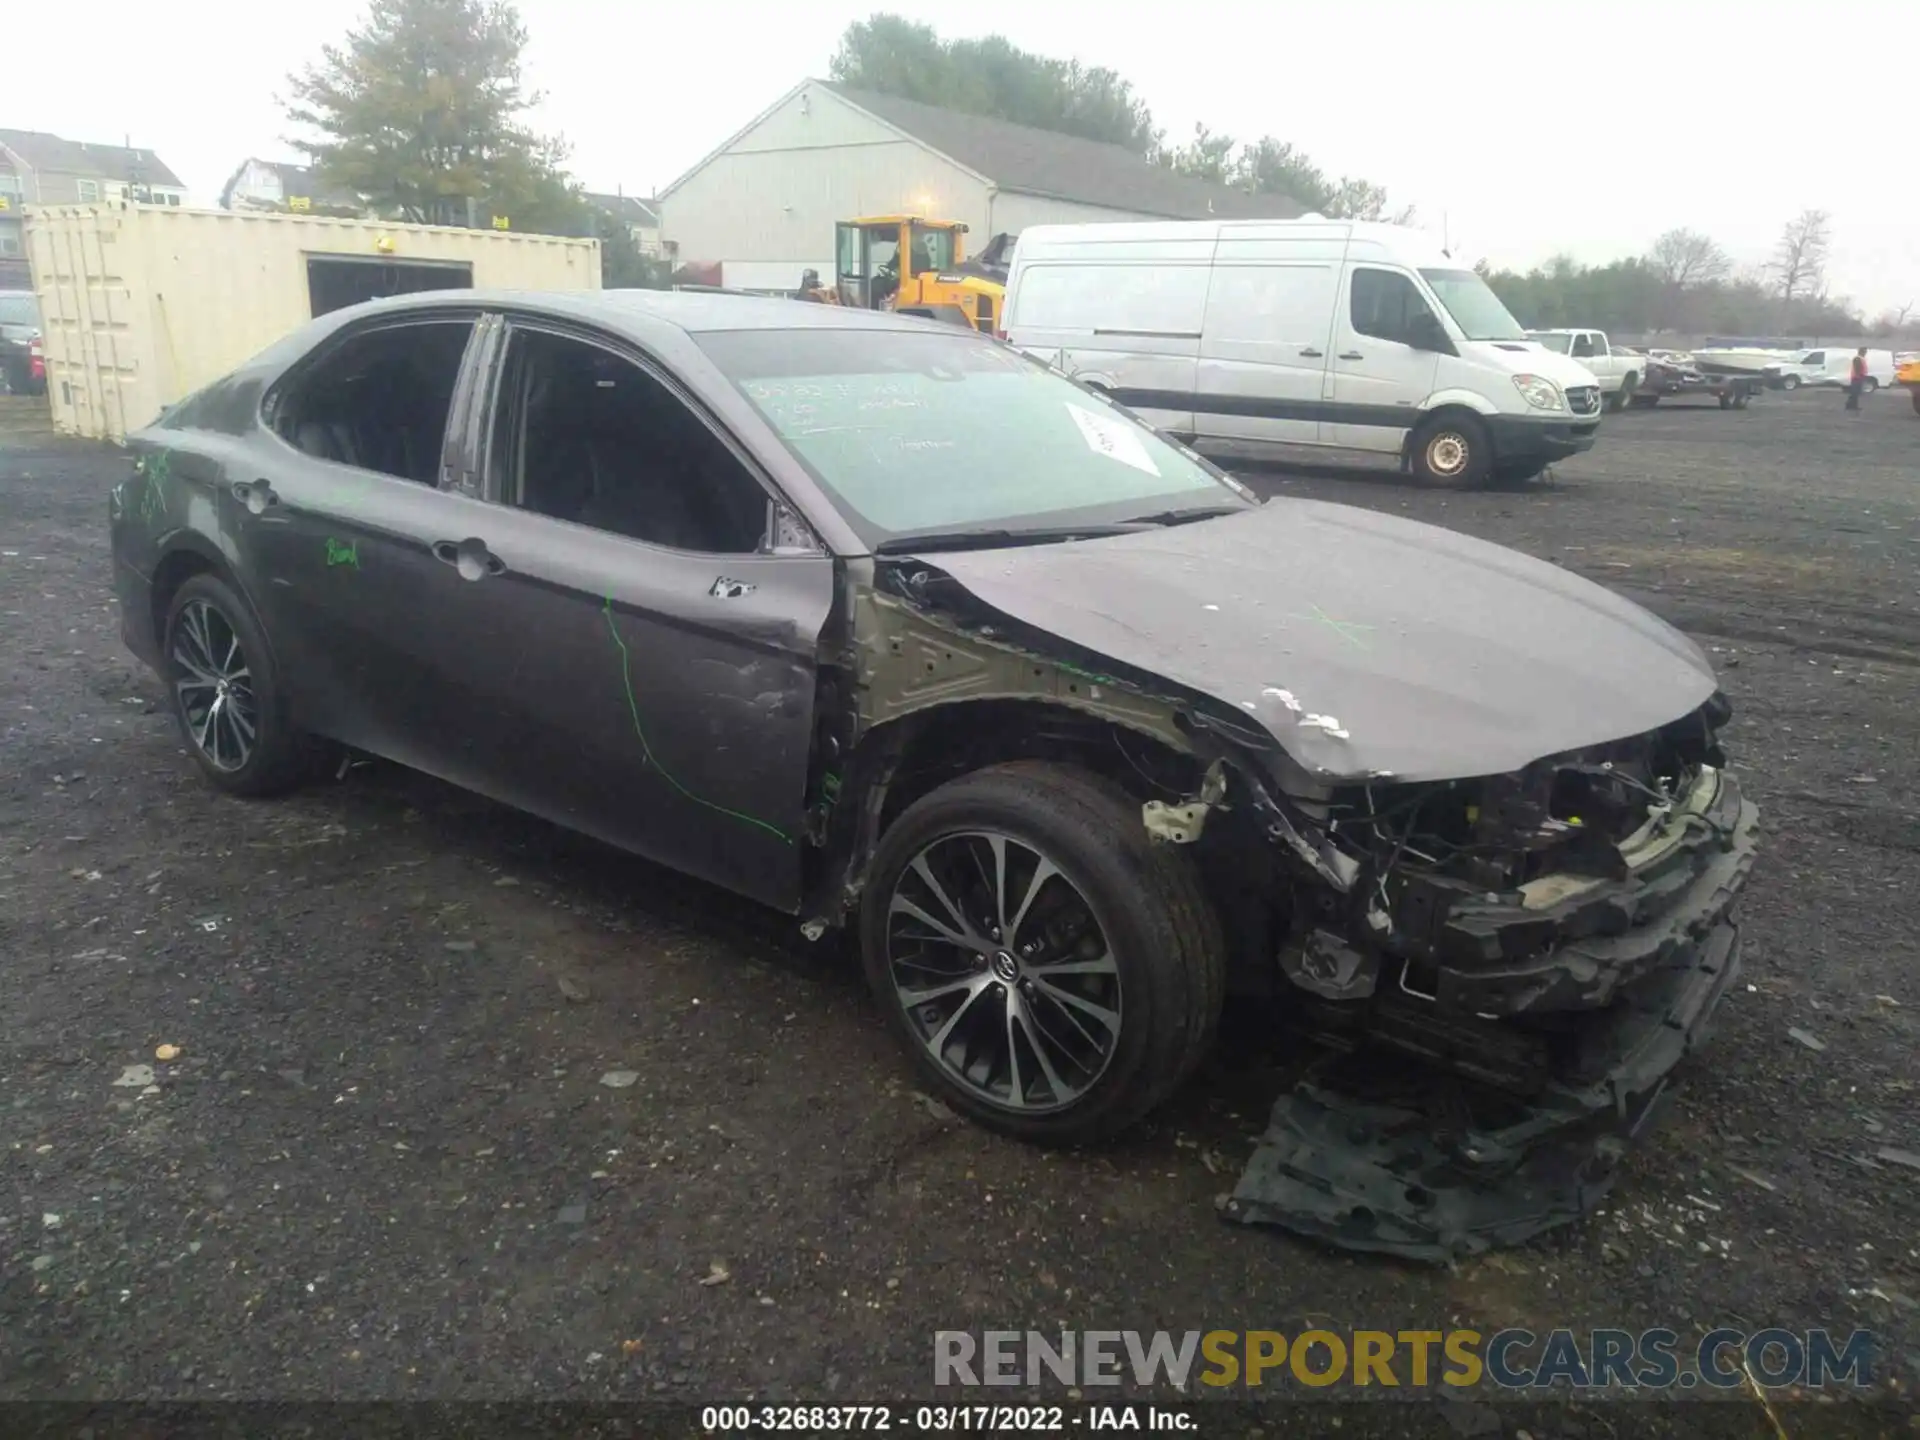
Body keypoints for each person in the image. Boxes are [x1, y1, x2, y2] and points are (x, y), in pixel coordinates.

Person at [1845, 347, 1868, 412]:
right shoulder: (1858, 358)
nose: (1865, 353)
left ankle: (1852, 406)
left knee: (1855, 393)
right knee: (1855, 393)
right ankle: (1850, 405)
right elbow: (1857, 368)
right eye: (1865, 351)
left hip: (1858, 377)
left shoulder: (1860, 358)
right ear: (1861, 352)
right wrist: (1859, 376)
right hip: (1857, 377)